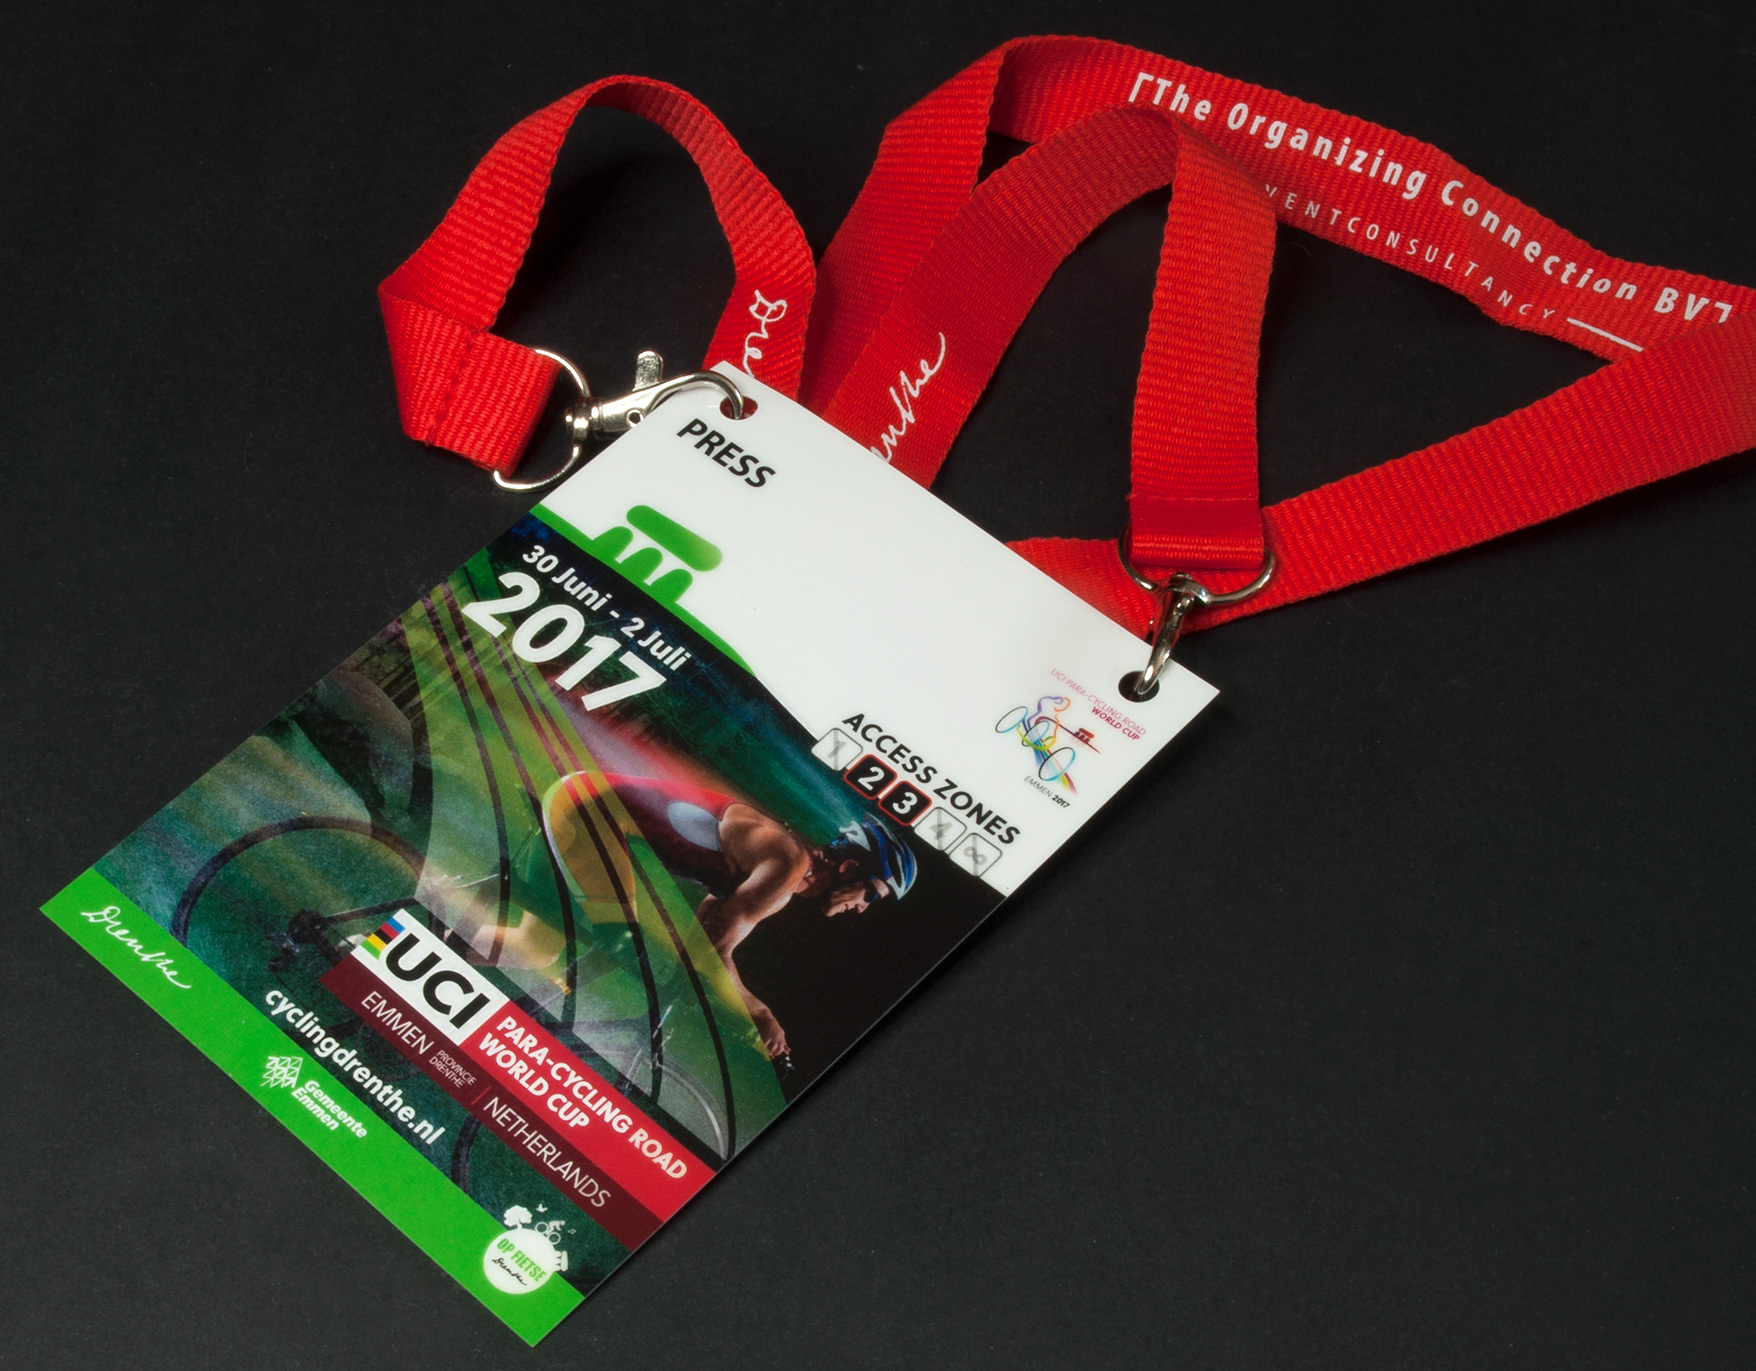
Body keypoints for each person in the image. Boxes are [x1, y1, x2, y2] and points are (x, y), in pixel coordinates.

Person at [456, 771, 916, 1060]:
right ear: (849, 869)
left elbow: (697, 948)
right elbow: (715, 950)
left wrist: (742, 1013)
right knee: (617, 942)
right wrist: (760, 1014)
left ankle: (435, 932)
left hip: (588, 807)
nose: (861, 909)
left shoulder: (783, 869)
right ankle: (544, 1027)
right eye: (871, 895)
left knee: (538, 947)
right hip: (592, 813)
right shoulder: (787, 864)